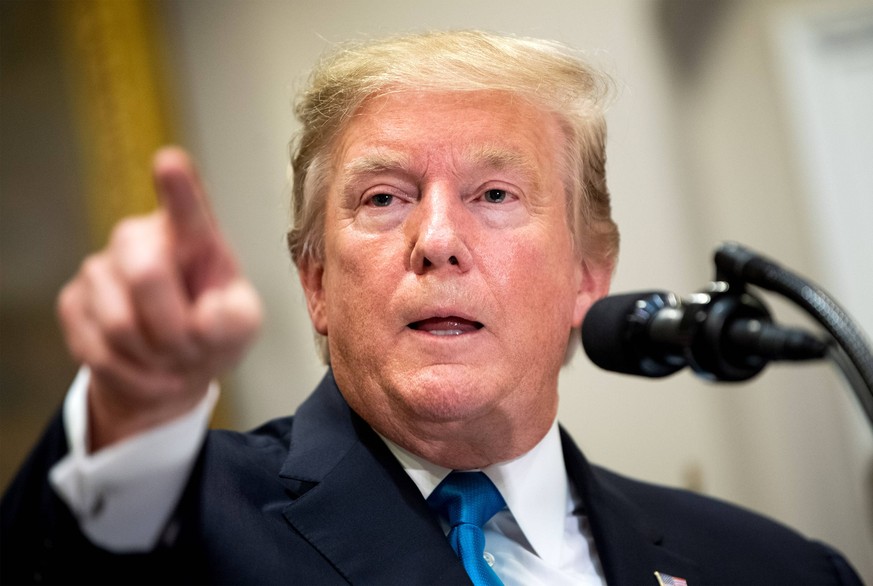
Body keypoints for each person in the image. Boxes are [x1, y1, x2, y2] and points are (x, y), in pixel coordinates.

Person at [0, 30, 862, 586]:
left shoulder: (776, 567)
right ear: (315, 283)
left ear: (586, 275)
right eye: (382, 199)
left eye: (493, 193)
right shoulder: (188, 526)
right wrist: (133, 403)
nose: (436, 240)